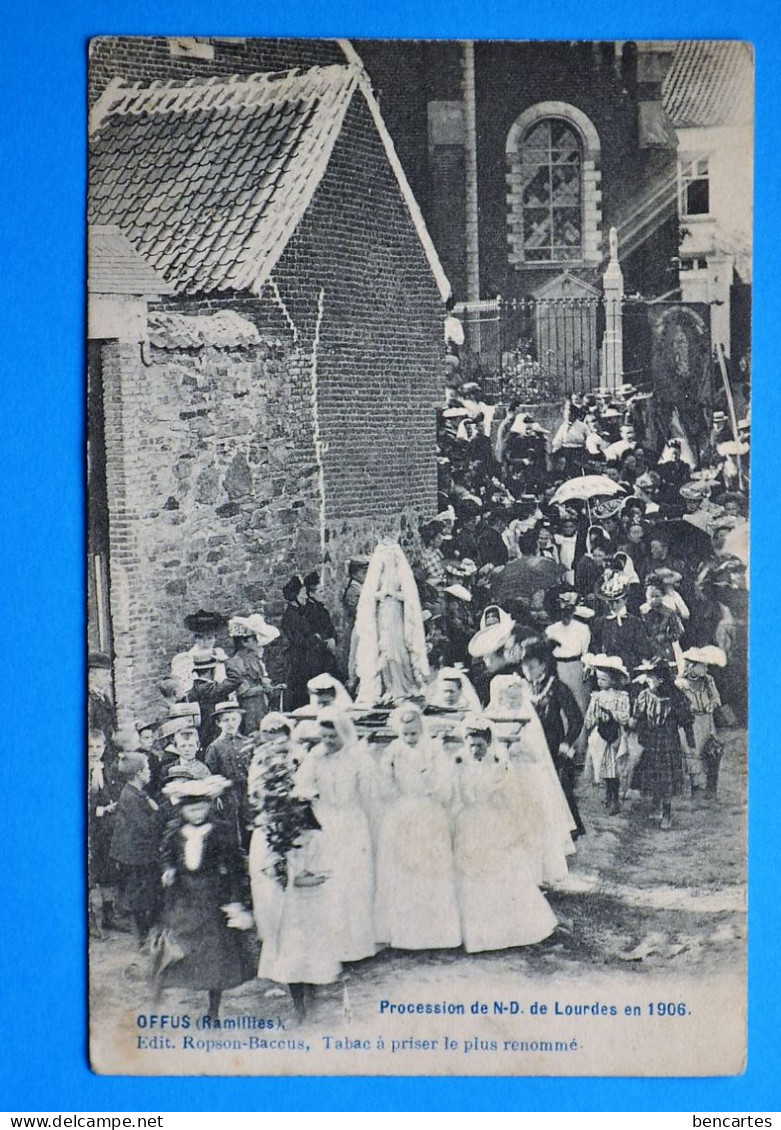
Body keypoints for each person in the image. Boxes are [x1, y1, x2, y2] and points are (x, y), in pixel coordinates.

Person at [451, 715, 557, 953]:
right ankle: (472, 930)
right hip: (469, 821)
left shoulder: (499, 764)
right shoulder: (459, 764)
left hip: (492, 821)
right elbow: (456, 793)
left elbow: (510, 796)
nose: (476, 750)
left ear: (488, 744)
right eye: (472, 745)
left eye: (480, 745)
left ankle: (505, 929)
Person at [156, 775, 254, 1020]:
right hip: (185, 897)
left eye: (201, 808)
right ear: (183, 810)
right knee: (180, 943)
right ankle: (169, 982)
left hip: (212, 897)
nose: (197, 813)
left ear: (209, 806)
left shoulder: (220, 830)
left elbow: (233, 863)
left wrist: (234, 897)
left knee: (215, 953)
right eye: (191, 809)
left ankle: (213, 1009)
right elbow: (166, 853)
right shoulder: (176, 831)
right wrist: (169, 868)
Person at [292, 708, 377, 963]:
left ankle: (356, 946)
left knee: (354, 881)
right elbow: (301, 789)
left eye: (332, 737)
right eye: (324, 737)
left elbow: (370, 793)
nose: (327, 742)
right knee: (330, 881)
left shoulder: (358, 758)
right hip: (325, 822)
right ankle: (331, 945)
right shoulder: (315, 757)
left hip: (352, 823)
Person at [374, 705, 461, 951]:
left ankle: (434, 932)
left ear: (422, 729)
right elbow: (385, 789)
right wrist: (388, 772)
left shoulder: (432, 749)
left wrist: (429, 782)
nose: (411, 738)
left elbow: (444, 784)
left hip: (428, 809)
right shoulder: (392, 751)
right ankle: (404, 930)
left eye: (415, 733)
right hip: (402, 810)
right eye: (406, 734)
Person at [485, 674, 576, 883]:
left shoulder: (526, 720)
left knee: (529, 825)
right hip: (501, 775)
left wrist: (518, 748)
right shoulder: (490, 718)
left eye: (518, 699)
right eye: (510, 699)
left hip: (525, 775)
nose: (515, 703)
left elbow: (536, 752)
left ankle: (532, 875)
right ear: (499, 698)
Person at [520, 637, 586, 838]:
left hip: (552, 745)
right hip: (529, 745)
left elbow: (576, 718)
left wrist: (566, 744)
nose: (528, 672)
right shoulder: (523, 688)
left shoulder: (557, 688)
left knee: (558, 785)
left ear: (543, 665)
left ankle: (568, 830)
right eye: (525, 668)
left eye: (532, 667)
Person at [109, 742, 163, 944]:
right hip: (135, 856)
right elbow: (147, 827)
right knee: (141, 897)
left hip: (137, 853)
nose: (150, 772)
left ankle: (145, 934)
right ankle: (143, 938)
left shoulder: (136, 792)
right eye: (147, 768)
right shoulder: (131, 797)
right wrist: (164, 810)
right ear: (139, 773)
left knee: (143, 893)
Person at [632, 659, 695, 831]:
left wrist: (690, 741)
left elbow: (686, 720)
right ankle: (655, 803)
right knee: (652, 773)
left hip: (668, 742)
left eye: (651, 678)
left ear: (661, 680)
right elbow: (639, 717)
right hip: (652, 741)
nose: (647, 680)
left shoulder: (675, 698)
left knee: (667, 776)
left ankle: (667, 812)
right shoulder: (646, 695)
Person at [581, 655, 631, 813]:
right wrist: (595, 718)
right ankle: (608, 796)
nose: (599, 682)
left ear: (613, 680)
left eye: (604, 679)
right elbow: (589, 717)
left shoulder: (621, 697)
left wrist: (612, 714)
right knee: (603, 766)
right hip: (601, 734)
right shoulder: (596, 697)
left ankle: (614, 797)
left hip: (616, 734)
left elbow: (625, 716)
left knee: (615, 768)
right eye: (598, 679)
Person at [676, 646, 725, 799]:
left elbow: (717, 698)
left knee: (707, 750)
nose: (705, 668)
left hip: (706, 722)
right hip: (689, 723)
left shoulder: (708, 681)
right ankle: (692, 785)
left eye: (706, 665)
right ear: (692, 666)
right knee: (690, 752)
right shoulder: (681, 684)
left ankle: (708, 787)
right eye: (702, 665)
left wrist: (713, 704)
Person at [204, 698, 254, 848]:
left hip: (248, 789)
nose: (230, 723)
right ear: (218, 723)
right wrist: (217, 794)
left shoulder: (247, 742)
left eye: (234, 719)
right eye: (226, 720)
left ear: (239, 720)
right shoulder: (215, 747)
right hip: (228, 792)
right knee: (232, 824)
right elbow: (210, 773)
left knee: (251, 820)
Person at [88, 728, 120, 936]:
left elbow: (112, 793)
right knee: (90, 873)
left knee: (108, 869)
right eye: (90, 746)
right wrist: (99, 810)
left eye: (98, 746)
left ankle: (109, 915)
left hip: (105, 829)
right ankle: (91, 921)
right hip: (89, 828)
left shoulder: (107, 769)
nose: (94, 751)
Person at [224, 613, 280, 730]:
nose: (257, 641)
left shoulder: (254, 659)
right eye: (253, 638)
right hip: (248, 707)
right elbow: (242, 690)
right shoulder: (234, 662)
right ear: (243, 642)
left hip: (261, 704)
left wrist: (270, 686)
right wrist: (262, 688)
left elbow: (260, 679)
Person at [170, 610, 228, 696]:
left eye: (210, 638)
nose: (206, 642)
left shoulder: (218, 653)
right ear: (196, 639)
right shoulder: (185, 658)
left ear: (215, 638)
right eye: (201, 638)